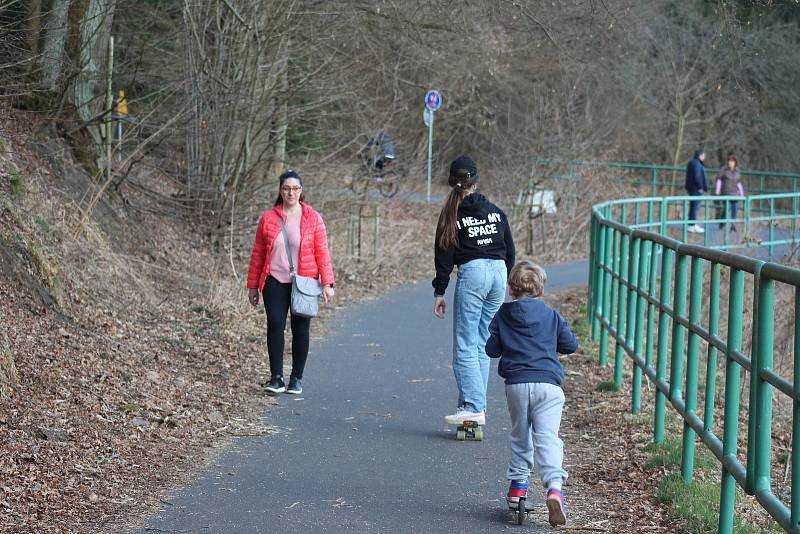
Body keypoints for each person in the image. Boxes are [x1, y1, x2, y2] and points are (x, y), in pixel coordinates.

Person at [485, 261, 578, 527]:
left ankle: (518, 489)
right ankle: (555, 488)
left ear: (511, 290)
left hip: (516, 385)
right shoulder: (551, 315)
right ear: (541, 289)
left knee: (520, 435)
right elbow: (570, 344)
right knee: (547, 438)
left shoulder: (503, 314)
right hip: (548, 385)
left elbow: (491, 349)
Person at [433, 155, 515, 426]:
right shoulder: (495, 211)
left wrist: (440, 292)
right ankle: (476, 404)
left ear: (452, 182)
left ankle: (472, 406)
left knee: (466, 343)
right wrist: (507, 282)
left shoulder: (452, 215)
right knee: (481, 342)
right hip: (499, 274)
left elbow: (444, 256)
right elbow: (510, 251)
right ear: (476, 182)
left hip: (475, 273)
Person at [247, 169, 335, 395]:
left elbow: (322, 253)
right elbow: (258, 254)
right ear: (280, 190)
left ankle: (296, 378)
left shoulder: (313, 218)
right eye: (286, 188)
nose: (291, 192)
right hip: (274, 280)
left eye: (295, 188)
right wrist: (252, 286)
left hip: (304, 281)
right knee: (275, 324)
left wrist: (327, 283)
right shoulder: (268, 219)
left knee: (301, 328)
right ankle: (276, 377)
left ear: (301, 191)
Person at [715, 154, 745, 231]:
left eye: (732, 162)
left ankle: (733, 225)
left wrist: (741, 193)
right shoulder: (724, 170)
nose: (730, 163)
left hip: (735, 194)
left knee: (734, 209)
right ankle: (722, 222)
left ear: (735, 163)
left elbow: (739, 183)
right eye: (729, 161)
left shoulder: (737, 171)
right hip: (726, 193)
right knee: (726, 209)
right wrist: (718, 190)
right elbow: (719, 179)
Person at [685, 149, 708, 234]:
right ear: (700, 155)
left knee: (693, 206)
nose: (704, 157)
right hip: (696, 189)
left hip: (692, 188)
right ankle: (692, 225)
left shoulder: (692, 162)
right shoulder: (697, 164)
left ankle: (692, 224)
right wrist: (700, 187)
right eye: (703, 155)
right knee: (695, 207)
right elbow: (697, 176)